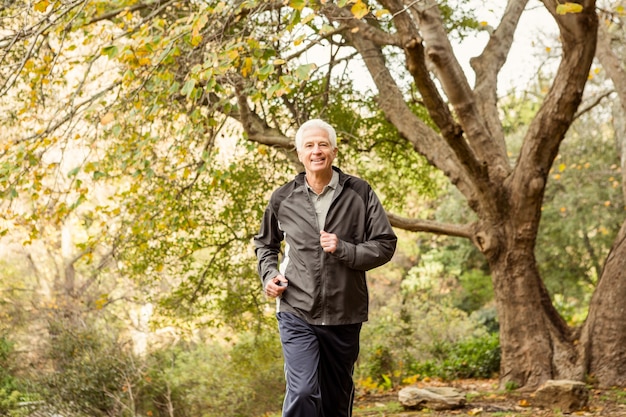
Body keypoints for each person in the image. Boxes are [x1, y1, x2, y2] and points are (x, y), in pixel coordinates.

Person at [254, 119, 397, 417]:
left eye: (322, 144)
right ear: (299, 153)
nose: (316, 151)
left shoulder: (360, 192)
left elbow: (385, 244)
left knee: (335, 400)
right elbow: (265, 245)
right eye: (309, 145)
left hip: (345, 312)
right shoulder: (283, 198)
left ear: (333, 151)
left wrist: (343, 248)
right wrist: (270, 275)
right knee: (303, 391)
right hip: (296, 309)